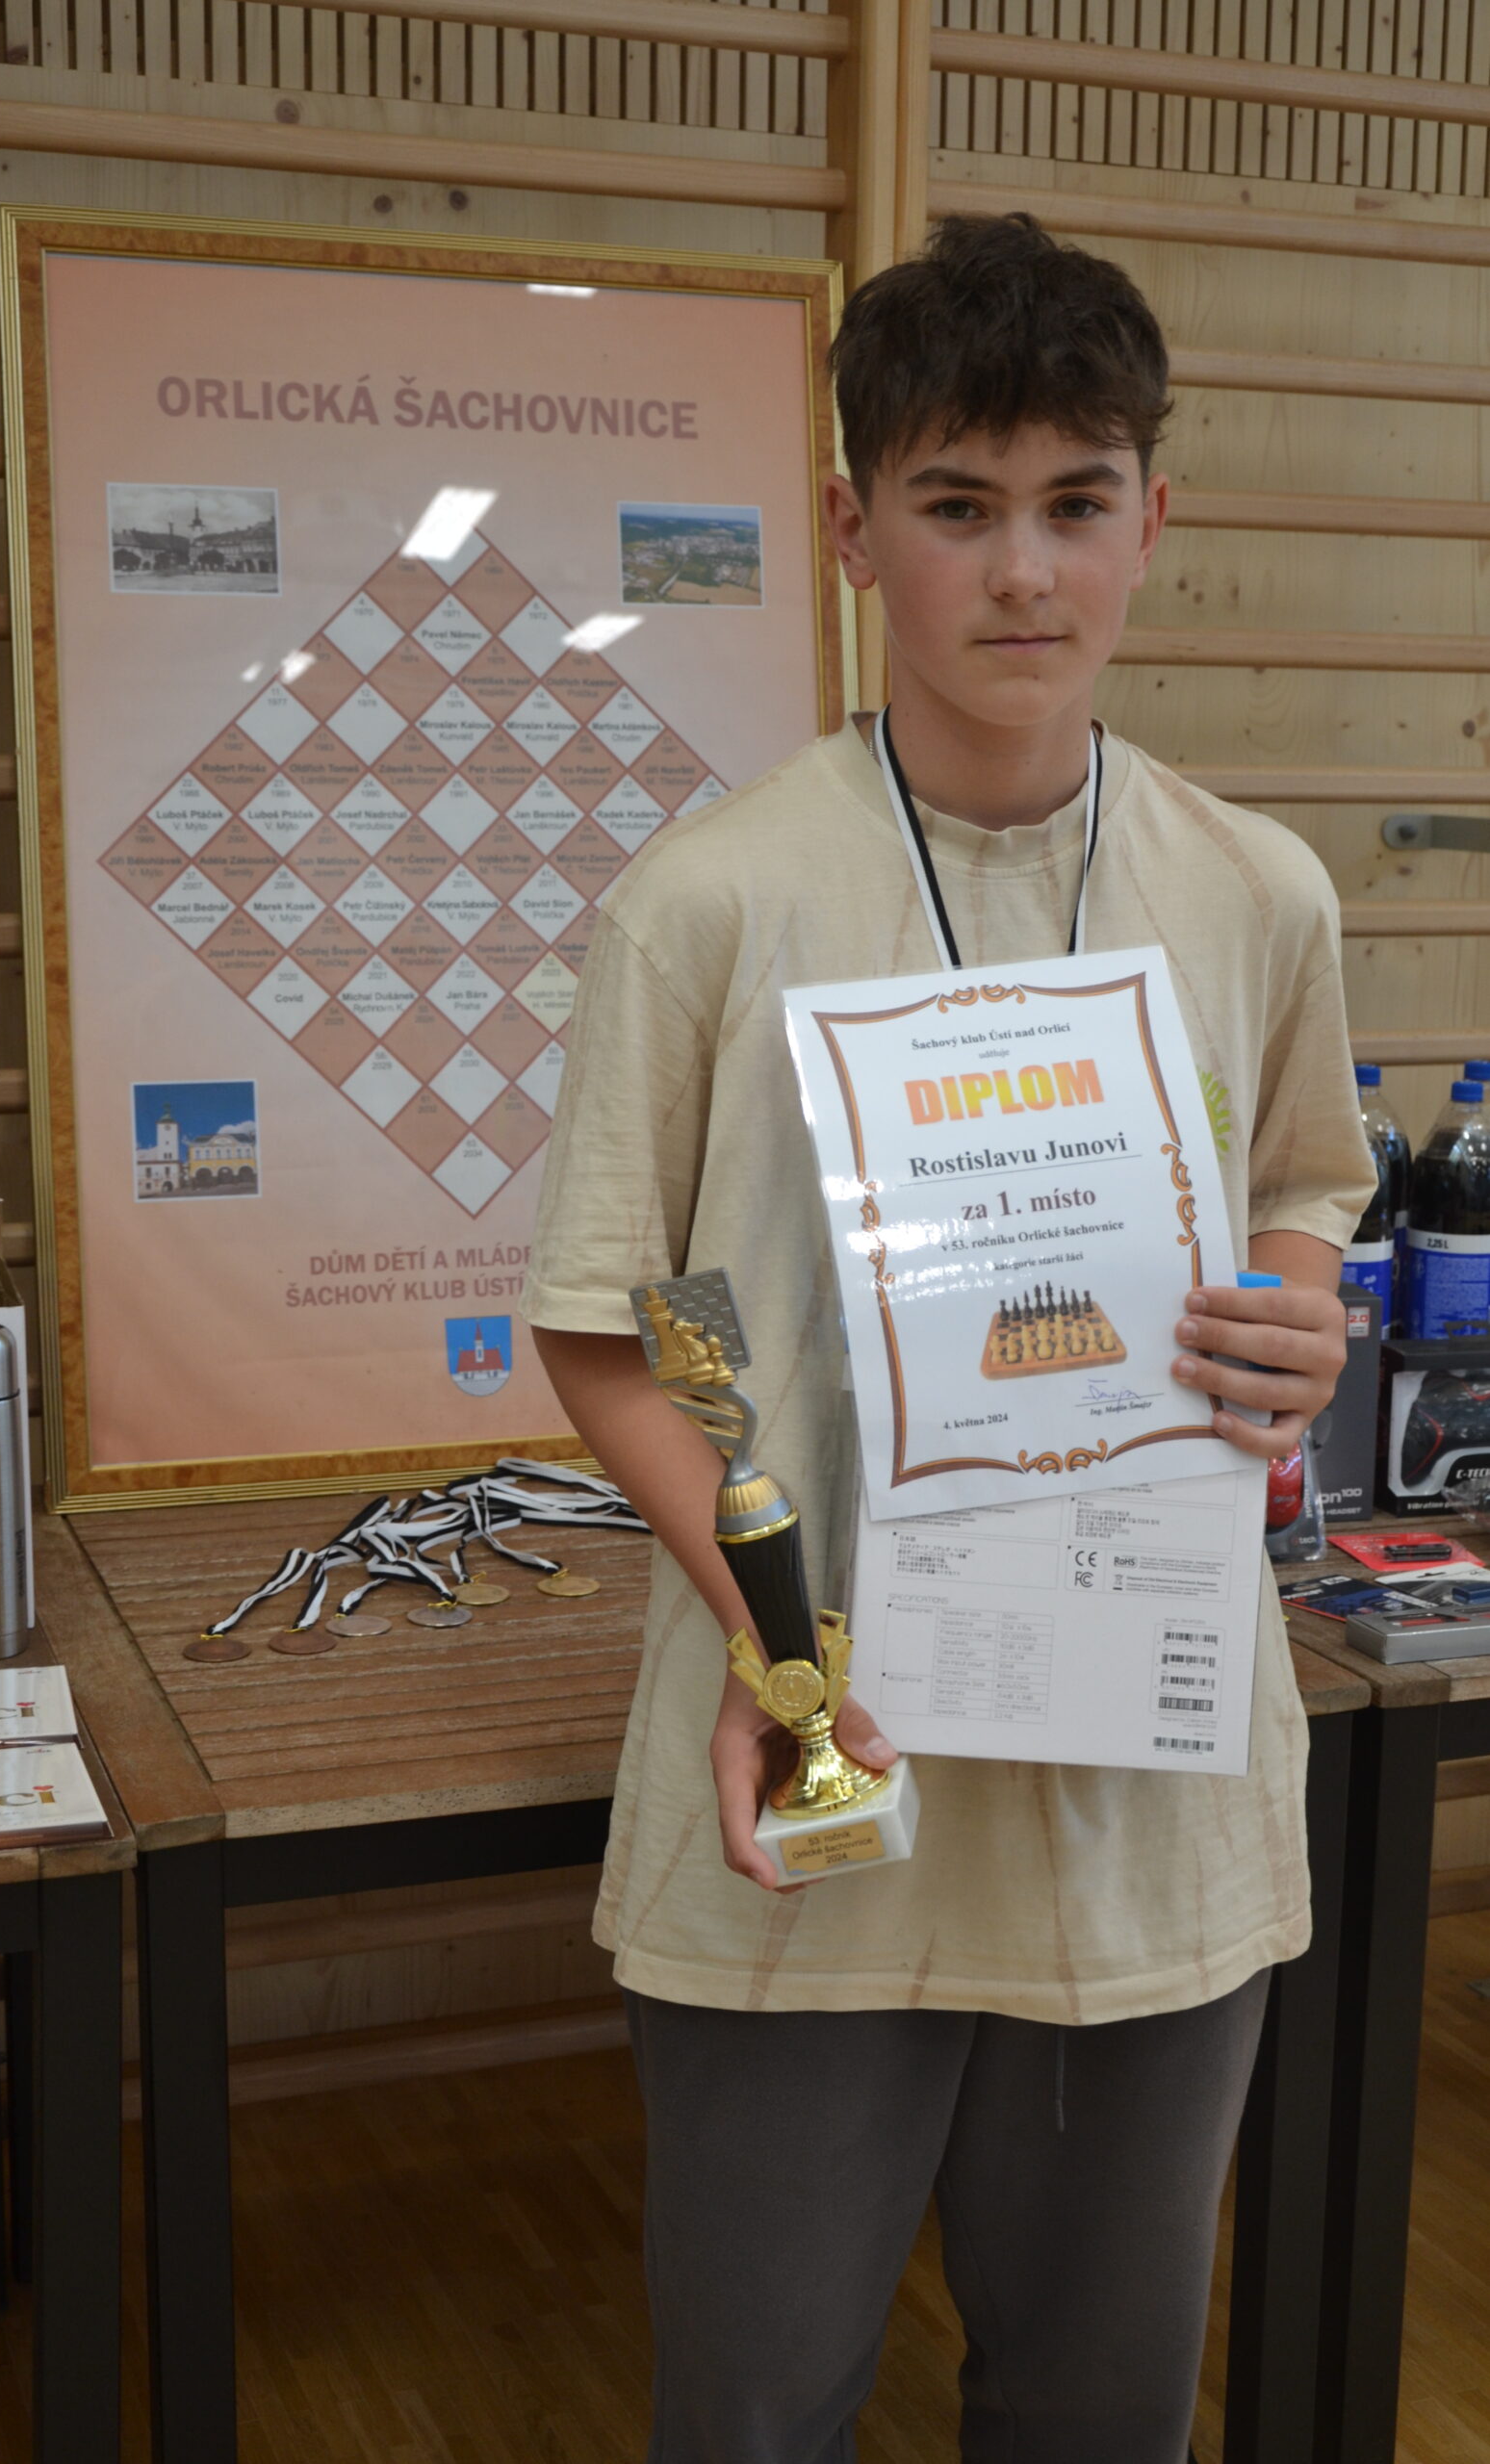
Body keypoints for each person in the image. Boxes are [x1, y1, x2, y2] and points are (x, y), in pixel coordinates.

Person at [524, 212, 1373, 2464]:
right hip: (821, 1765)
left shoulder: (1254, 890)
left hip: (1143, 1787)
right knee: (755, 2402)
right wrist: (775, 1635)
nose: (1019, 569)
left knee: (1097, 2405)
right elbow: (624, 1322)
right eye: (955, 502)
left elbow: (1303, 1187)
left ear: (1150, 517)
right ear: (849, 527)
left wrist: (1293, 1315)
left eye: (1074, 501)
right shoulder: (706, 906)